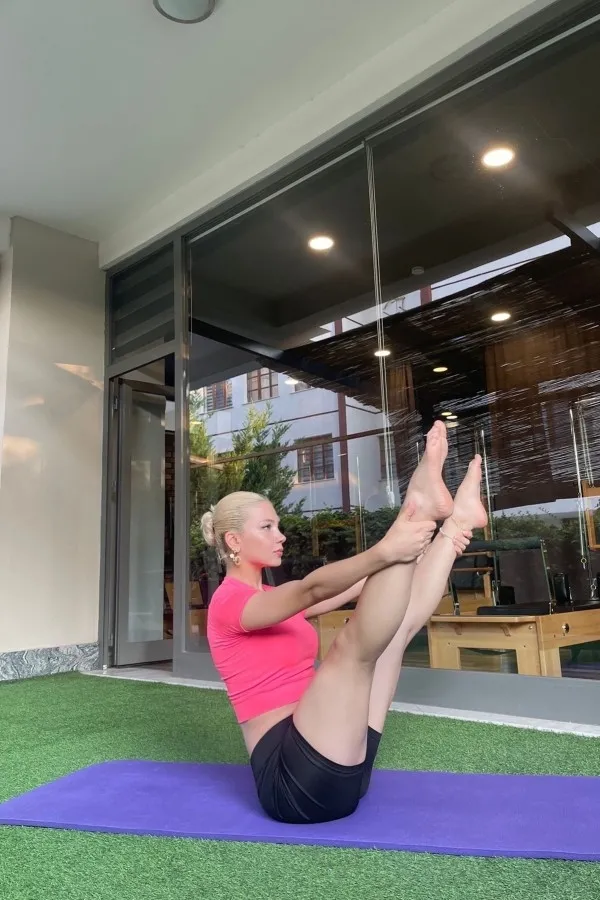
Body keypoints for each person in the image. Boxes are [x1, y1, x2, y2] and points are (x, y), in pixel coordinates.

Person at [203, 420, 488, 825]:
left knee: (393, 632)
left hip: (339, 761)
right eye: (267, 527)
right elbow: (311, 590)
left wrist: (423, 549)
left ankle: (456, 523)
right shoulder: (228, 603)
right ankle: (420, 506)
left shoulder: (267, 598)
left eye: (278, 525)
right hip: (293, 783)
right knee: (350, 650)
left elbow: (357, 586)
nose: (280, 535)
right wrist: (387, 550)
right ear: (233, 541)